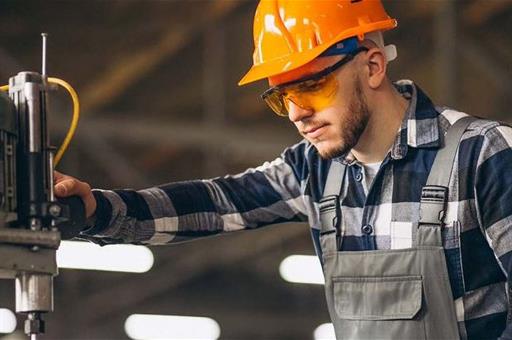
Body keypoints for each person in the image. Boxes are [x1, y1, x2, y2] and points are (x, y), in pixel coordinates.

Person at [54, 0, 512, 339]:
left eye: (311, 87)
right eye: (281, 97)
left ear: (372, 66)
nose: (296, 114)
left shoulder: (483, 155)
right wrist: (98, 210)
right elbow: (216, 202)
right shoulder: (314, 171)